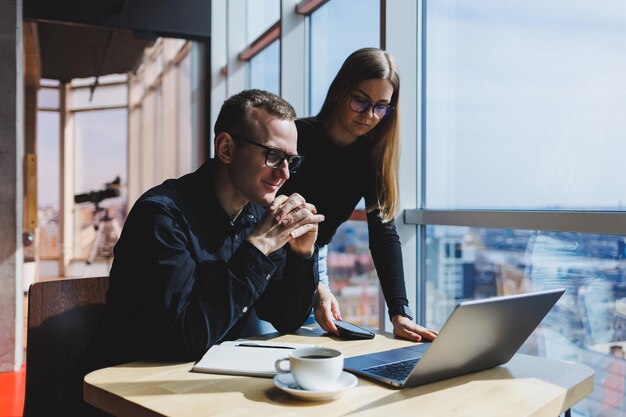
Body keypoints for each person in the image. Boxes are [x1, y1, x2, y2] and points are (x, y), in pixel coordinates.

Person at [64, 89, 324, 416]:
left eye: (292, 160)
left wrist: (303, 255)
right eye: (273, 155)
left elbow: (285, 316)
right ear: (226, 148)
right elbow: (183, 340)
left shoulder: (258, 217)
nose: (284, 173)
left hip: (203, 393)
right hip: (126, 396)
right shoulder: (160, 217)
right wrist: (257, 249)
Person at [281, 47, 438, 342]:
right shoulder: (296, 137)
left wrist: (399, 313)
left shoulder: (371, 158)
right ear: (341, 90)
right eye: (360, 101)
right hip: (268, 252)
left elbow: (384, 235)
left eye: (381, 106)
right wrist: (314, 285)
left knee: (301, 348)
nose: (369, 116)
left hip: (313, 258)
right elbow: (263, 214)